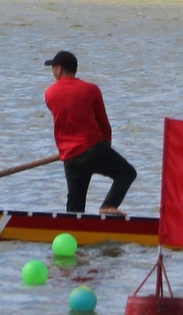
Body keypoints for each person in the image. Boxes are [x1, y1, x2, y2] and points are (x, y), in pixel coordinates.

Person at [43, 50, 138, 215]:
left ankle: (71, 230)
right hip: (92, 149)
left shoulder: (49, 94)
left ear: (59, 69)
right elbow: (103, 123)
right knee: (127, 173)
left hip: (69, 156)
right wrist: (105, 146)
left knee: (75, 204)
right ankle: (108, 206)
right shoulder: (91, 90)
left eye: (53, 68)